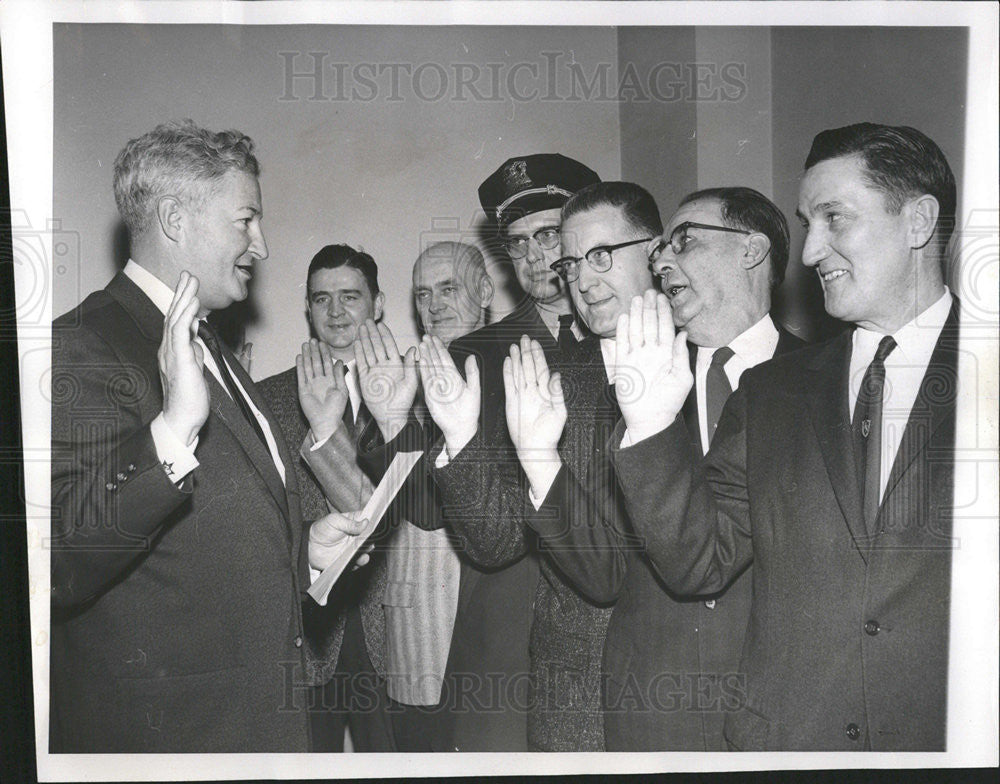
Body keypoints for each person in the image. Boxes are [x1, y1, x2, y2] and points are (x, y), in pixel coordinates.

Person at [608, 123, 958, 750]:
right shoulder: (772, 391)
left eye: (834, 219)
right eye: (806, 225)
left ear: (918, 221)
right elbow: (698, 562)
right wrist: (652, 426)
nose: (811, 251)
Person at [49, 120, 362, 753]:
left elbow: (205, 547)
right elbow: (56, 559)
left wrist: (303, 556)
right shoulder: (77, 345)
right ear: (174, 219)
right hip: (175, 741)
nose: (262, 246)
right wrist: (172, 431)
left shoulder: (209, 345)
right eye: (245, 221)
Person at [500, 184, 805, 750]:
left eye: (681, 242)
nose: (662, 259)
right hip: (649, 712)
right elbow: (604, 572)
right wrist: (540, 460)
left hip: (776, 710)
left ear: (752, 251)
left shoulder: (822, 384)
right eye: (661, 247)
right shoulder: (633, 374)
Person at [258, 244, 396, 752]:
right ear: (308, 310)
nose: (335, 312)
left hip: (394, 627)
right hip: (309, 629)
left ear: (378, 304)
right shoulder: (268, 398)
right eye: (321, 300)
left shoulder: (418, 386)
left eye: (350, 296)